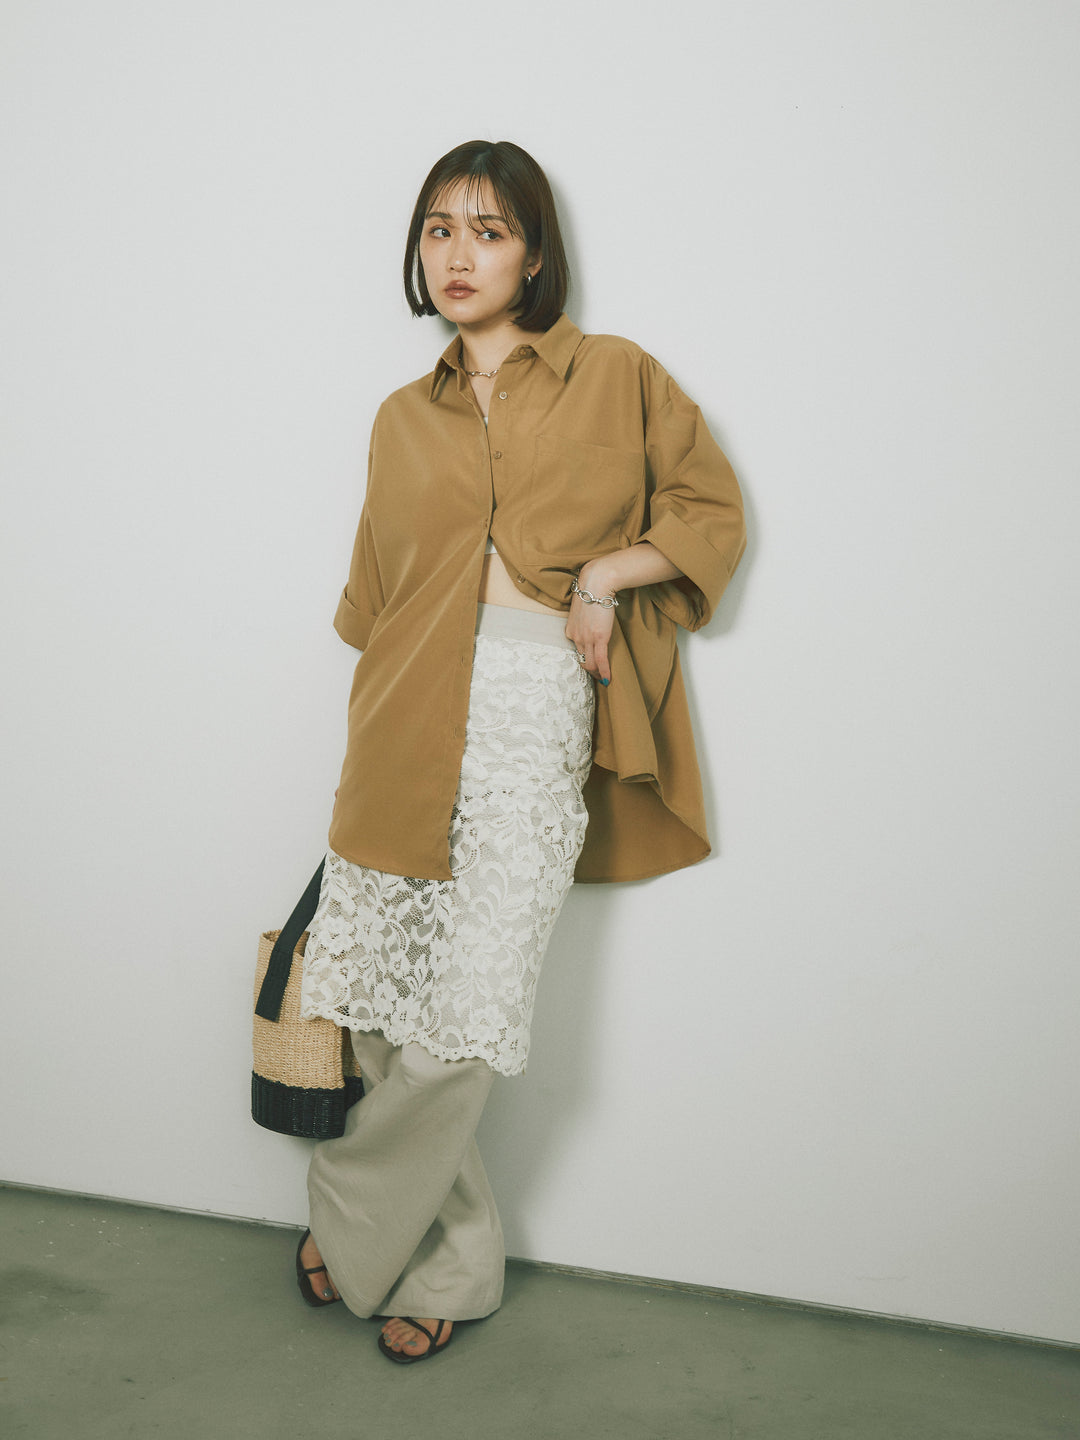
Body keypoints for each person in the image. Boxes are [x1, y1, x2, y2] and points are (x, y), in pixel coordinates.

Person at [293, 140, 746, 1364]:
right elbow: (373, 599)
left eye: (488, 232)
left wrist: (604, 574)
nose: (459, 254)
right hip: (400, 714)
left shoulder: (618, 376)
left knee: (470, 1011)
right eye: (439, 229)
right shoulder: (401, 417)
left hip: (532, 712)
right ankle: (450, 1264)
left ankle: (346, 1217)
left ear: (534, 255)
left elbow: (709, 510)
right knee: (373, 1007)